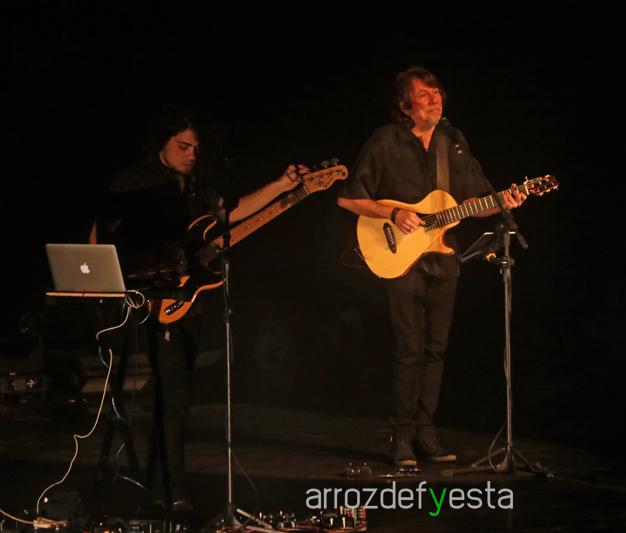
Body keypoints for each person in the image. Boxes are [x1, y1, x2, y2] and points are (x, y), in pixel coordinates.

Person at [92, 107, 306, 514]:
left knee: (177, 398)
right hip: (148, 297)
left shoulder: (196, 188)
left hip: (187, 303)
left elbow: (231, 212)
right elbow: (104, 231)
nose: (192, 154)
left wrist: (283, 185)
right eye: (183, 146)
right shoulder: (135, 181)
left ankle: (167, 487)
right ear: (162, 145)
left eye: (196, 148)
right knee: (167, 397)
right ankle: (166, 490)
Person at [337, 67, 527, 466]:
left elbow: (474, 202)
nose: (434, 99)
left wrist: (504, 200)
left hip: (443, 259)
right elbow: (349, 198)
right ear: (404, 105)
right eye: (424, 94)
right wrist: (394, 213)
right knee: (409, 349)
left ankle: (426, 433)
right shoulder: (385, 141)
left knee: (435, 350)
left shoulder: (451, 143)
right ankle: (401, 438)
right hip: (400, 258)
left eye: (437, 92)